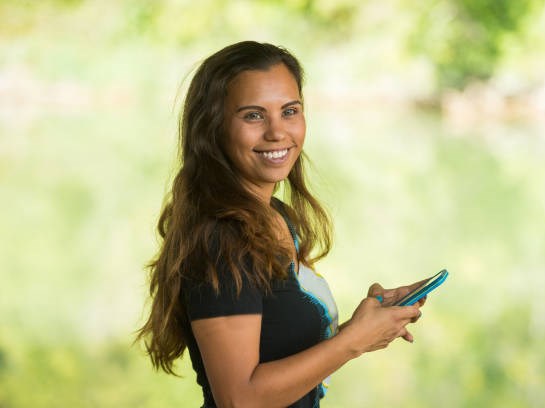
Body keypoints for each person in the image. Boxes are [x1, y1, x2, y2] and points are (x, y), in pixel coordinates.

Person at [136, 41, 427, 408]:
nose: (277, 132)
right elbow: (239, 399)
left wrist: (362, 328)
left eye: (290, 111)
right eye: (254, 115)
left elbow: (278, 348)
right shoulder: (224, 239)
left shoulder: (273, 216)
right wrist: (351, 342)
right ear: (213, 128)